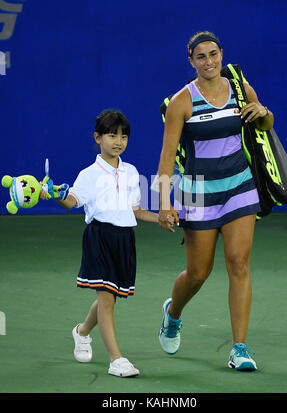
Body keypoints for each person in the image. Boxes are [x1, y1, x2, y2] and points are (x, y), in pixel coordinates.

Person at [157, 31, 274, 371]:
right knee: (197, 273)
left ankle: (239, 348)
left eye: (213, 54)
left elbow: (266, 124)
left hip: (240, 185)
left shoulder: (239, 87)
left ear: (221, 54)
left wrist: (261, 110)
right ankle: (173, 313)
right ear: (191, 61)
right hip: (197, 191)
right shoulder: (182, 101)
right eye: (201, 57)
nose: (209, 62)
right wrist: (165, 202)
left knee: (239, 264)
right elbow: (166, 158)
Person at [41, 109, 166, 378]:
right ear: (98, 138)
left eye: (123, 136)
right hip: (99, 237)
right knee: (106, 299)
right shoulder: (88, 174)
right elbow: (71, 202)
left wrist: (160, 219)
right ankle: (116, 360)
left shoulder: (131, 172)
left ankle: (82, 331)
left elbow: (135, 210)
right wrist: (56, 194)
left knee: (109, 298)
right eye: (112, 135)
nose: (118, 141)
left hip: (124, 240)